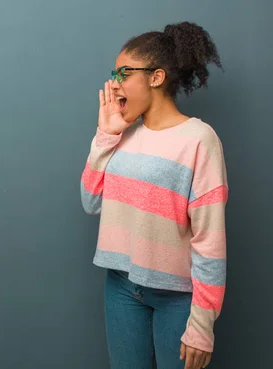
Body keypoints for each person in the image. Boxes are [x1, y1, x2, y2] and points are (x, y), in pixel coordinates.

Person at [80, 22, 228, 369]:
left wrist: (202, 325)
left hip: (176, 297)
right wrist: (105, 135)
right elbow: (90, 202)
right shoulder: (122, 135)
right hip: (120, 287)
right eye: (113, 74)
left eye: (124, 73)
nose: (115, 84)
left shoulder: (199, 140)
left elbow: (210, 241)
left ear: (156, 77)